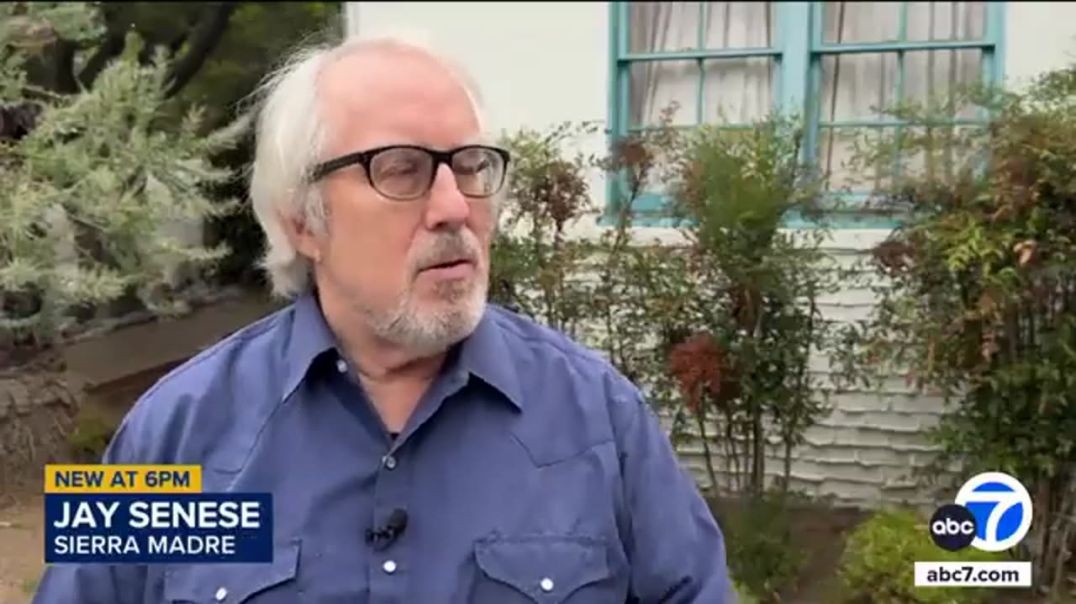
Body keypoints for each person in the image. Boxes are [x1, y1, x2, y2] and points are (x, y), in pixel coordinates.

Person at [33, 34, 733, 603]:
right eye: (401, 170)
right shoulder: (174, 430)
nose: (455, 206)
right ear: (303, 220)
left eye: (470, 165)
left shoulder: (599, 417)